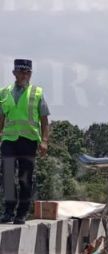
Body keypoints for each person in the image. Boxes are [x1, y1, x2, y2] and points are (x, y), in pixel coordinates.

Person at [0, 59, 50, 225]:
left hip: (28, 140)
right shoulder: (5, 92)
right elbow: (1, 117)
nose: (24, 75)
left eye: (28, 72)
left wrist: (44, 141)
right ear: (14, 73)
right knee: (7, 174)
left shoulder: (36, 92)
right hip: (9, 139)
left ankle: (21, 213)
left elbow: (44, 119)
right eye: (21, 71)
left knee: (25, 177)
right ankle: (8, 210)